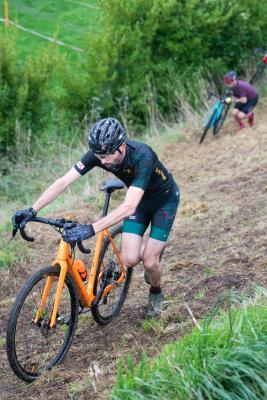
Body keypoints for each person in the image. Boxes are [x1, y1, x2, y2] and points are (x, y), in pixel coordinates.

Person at [12, 118, 180, 318]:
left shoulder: (143, 155)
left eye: (106, 156)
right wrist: (33, 209)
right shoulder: (100, 153)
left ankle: (156, 292)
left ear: (121, 147)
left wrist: (91, 228)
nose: (102, 162)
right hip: (140, 203)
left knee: (151, 263)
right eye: (98, 156)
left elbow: (128, 206)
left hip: (164, 202)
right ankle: (152, 251)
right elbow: (64, 181)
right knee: (130, 259)